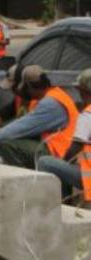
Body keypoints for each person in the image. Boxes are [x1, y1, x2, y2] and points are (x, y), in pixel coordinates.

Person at [0, 65, 78, 169]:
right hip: (60, 148)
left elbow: (21, 128)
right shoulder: (52, 95)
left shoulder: (50, 104)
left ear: (30, 87)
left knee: (9, 146)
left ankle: (25, 182)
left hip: (60, 152)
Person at [36, 69, 91, 200]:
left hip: (89, 178)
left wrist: (63, 162)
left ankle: (58, 205)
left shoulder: (88, 114)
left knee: (45, 162)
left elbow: (75, 148)